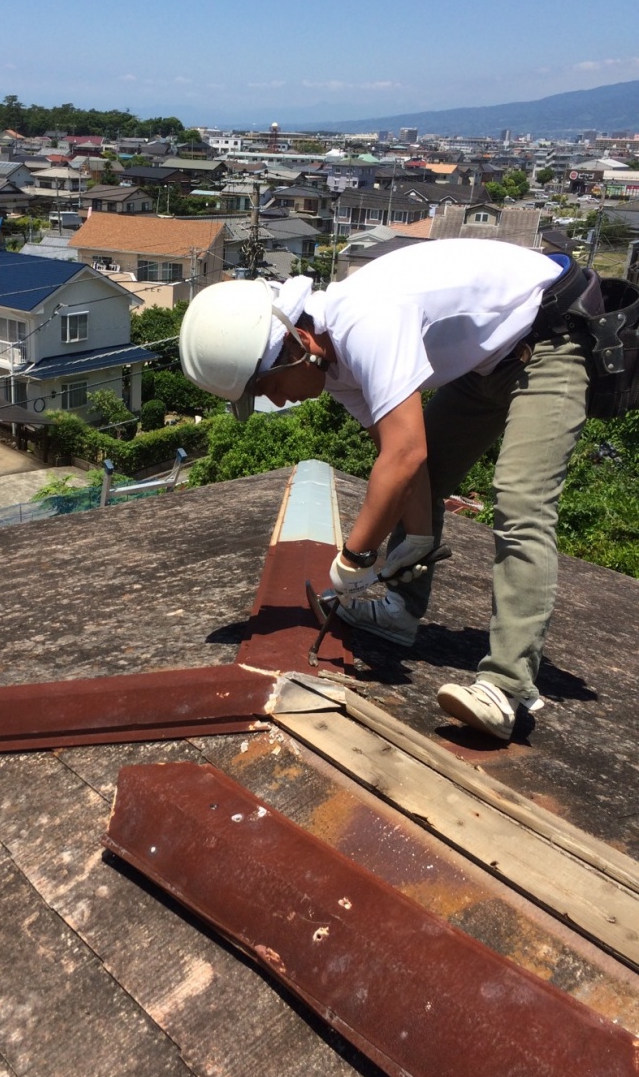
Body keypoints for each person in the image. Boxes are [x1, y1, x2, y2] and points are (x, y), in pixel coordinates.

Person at [179, 239, 602, 741]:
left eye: (266, 386)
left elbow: (404, 457)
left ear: (297, 345)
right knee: (415, 475)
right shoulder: (334, 367)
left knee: (520, 501)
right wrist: (417, 541)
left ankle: (506, 685)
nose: (276, 400)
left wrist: (355, 556)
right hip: (486, 363)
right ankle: (401, 613)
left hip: (550, 336)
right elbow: (403, 458)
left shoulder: (364, 321)